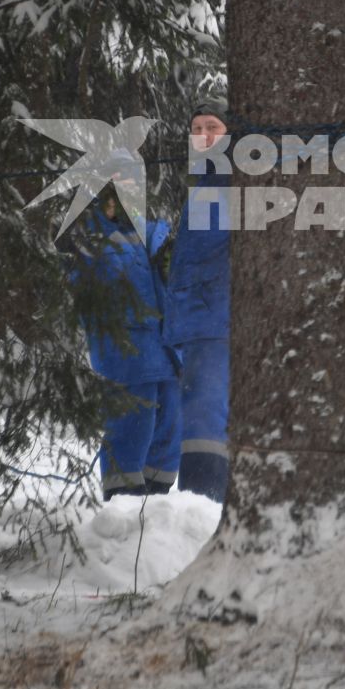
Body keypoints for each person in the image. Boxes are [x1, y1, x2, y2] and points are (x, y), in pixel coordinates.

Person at [69, 162, 181, 500]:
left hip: (164, 347)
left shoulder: (152, 232)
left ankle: (157, 502)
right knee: (133, 423)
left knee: (170, 423)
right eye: (117, 182)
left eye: (132, 182)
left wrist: (170, 262)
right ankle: (123, 502)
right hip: (127, 351)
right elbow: (86, 287)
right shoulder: (87, 236)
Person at [162, 103, 233, 502]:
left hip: (216, 321)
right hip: (198, 322)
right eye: (196, 128)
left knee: (205, 415)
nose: (203, 135)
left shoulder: (230, 178)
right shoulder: (205, 181)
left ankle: (202, 504)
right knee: (201, 414)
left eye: (213, 127)